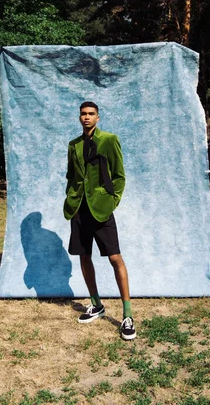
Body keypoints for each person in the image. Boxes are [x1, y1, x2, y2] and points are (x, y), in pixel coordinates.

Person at [64, 101, 136, 340]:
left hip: (101, 210)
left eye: (91, 114)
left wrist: (110, 201)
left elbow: (119, 176)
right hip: (79, 210)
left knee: (115, 258)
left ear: (98, 117)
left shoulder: (109, 140)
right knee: (84, 256)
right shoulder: (73, 145)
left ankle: (127, 315)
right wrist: (71, 198)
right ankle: (96, 304)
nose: (86, 117)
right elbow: (71, 176)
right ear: (79, 117)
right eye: (83, 114)